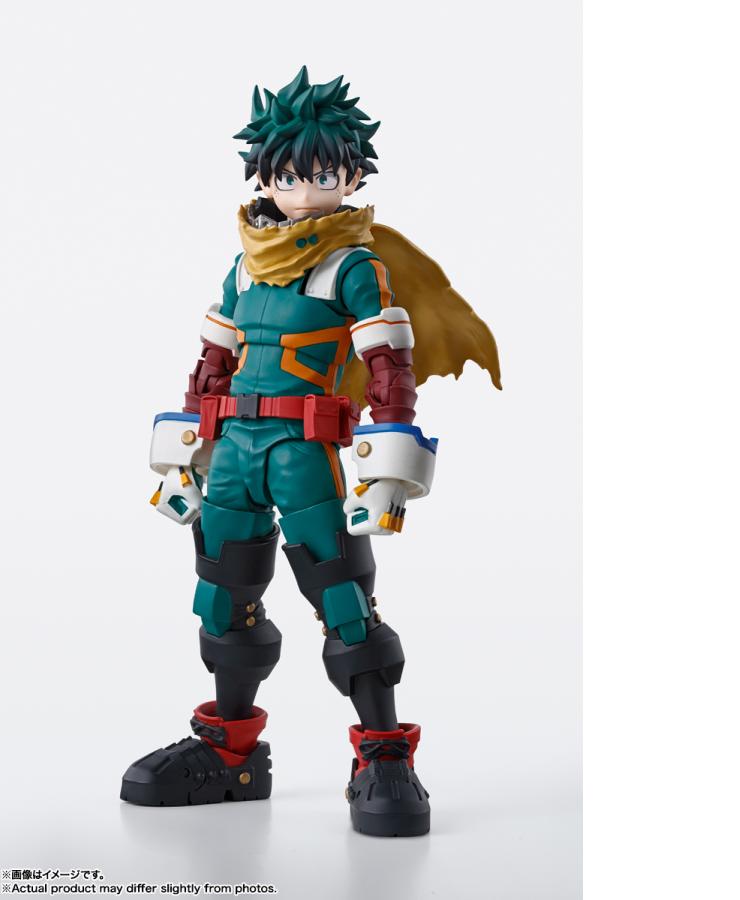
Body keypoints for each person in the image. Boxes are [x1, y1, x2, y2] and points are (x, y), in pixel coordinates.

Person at [120, 66, 501, 837]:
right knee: (223, 596)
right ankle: (228, 754)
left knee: (343, 599)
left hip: (303, 452)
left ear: (352, 177)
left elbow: (389, 369)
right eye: (288, 175)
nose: (303, 189)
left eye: (323, 175)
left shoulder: (352, 266)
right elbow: (211, 366)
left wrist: (389, 462)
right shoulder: (243, 265)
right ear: (263, 176)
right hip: (234, 451)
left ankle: (383, 754)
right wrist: (188, 446)